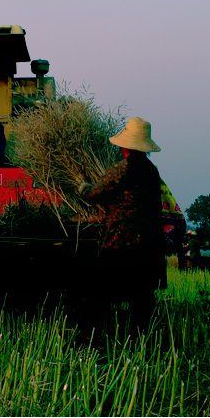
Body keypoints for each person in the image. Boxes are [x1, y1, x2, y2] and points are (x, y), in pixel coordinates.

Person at [79, 117, 164, 332]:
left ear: (125, 146)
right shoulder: (152, 172)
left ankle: (93, 339)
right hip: (150, 247)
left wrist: (83, 188)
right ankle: (142, 342)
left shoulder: (122, 169)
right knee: (142, 300)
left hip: (121, 244)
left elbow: (95, 195)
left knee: (99, 293)